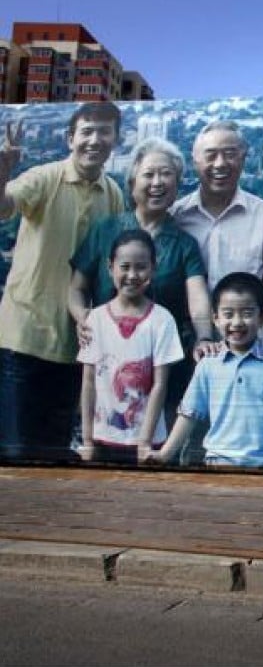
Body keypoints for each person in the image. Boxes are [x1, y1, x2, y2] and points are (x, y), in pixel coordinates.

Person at [68, 137, 215, 459]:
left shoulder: (184, 243)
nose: (157, 183)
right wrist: (83, 318)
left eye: (167, 175)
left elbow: (197, 295)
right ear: (133, 179)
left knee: (153, 457)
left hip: (163, 370)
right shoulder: (106, 230)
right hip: (108, 368)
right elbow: (77, 287)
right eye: (149, 174)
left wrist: (204, 336)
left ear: (177, 184)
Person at [0, 102, 125, 462]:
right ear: (71, 138)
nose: (94, 139)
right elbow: (5, 206)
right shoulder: (45, 177)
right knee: (15, 450)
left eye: (104, 131)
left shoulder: (113, 194)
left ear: (115, 140)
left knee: (52, 452)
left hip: (75, 347)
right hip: (24, 338)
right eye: (86, 131)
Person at [153, 272, 263, 468]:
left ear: (262, 317)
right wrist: (165, 454)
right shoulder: (208, 364)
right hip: (220, 463)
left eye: (247, 313)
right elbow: (189, 414)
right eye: (228, 314)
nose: (237, 322)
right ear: (215, 318)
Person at [170, 120, 263, 337]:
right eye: (210, 155)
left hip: (252, 344)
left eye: (230, 153)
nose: (220, 163)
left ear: (243, 159)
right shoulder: (177, 216)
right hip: (191, 345)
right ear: (195, 160)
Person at [78, 230, 184, 465]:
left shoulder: (162, 319)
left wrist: (145, 442)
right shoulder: (95, 319)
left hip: (146, 442)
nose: (132, 275)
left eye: (141, 267)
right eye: (124, 266)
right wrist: (87, 439)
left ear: (153, 269)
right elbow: (88, 381)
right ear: (110, 267)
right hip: (101, 439)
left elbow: (160, 384)